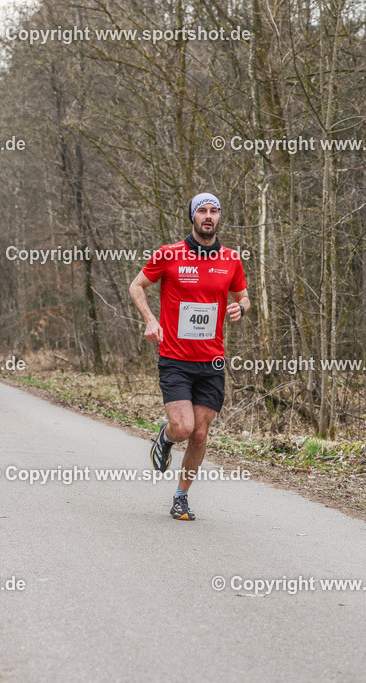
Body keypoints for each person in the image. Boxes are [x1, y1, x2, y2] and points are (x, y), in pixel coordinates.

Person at [129, 192, 249, 521]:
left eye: (214, 210)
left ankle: (181, 496)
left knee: (200, 433)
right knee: (183, 428)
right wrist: (151, 320)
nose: (208, 216)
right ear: (193, 217)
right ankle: (165, 438)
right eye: (202, 211)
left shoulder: (231, 259)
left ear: (219, 217)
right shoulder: (169, 254)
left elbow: (244, 296)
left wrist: (240, 308)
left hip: (211, 361)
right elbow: (136, 286)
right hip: (176, 359)